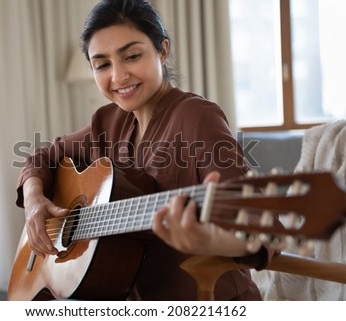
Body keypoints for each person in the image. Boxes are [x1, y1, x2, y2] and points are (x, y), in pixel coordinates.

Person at [16, 0, 272, 300]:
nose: (118, 76)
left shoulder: (198, 116)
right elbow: (42, 156)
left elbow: (257, 222)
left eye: (132, 56)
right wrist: (34, 200)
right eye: (102, 65)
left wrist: (211, 239)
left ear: (162, 50)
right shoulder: (107, 121)